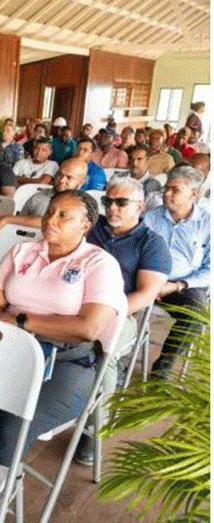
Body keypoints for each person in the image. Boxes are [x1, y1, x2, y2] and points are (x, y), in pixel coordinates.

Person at [0, 190, 123, 467]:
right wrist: (17, 326)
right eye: (51, 211)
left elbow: (89, 328)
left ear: (85, 226)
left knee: (13, 426)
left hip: (67, 362)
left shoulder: (99, 263)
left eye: (64, 215)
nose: (52, 219)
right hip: (10, 348)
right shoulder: (21, 250)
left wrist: (22, 322)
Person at [72, 176, 171, 465]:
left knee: (106, 353)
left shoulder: (152, 244)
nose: (111, 207)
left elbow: (145, 294)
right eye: (108, 201)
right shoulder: (92, 229)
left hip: (122, 313)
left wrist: (106, 313)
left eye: (120, 202)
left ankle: (94, 428)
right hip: (72, 302)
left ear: (139, 206)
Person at [143, 166, 209, 379]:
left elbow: (211, 269)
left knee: (196, 314)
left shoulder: (208, 224)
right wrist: (149, 281)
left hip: (182, 285)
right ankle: (106, 360)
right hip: (146, 279)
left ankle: (161, 373)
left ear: (193, 194)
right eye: (166, 188)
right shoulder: (150, 218)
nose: (167, 194)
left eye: (175, 190)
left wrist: (177, 285)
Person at [0, 158, 88, 232]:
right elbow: (18, 229)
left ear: (80, 182)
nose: (61, 180)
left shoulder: (84, 206)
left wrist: (8, 218)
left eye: (69, 177)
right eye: (60, 174)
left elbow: (51, 223)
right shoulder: (38, 198)